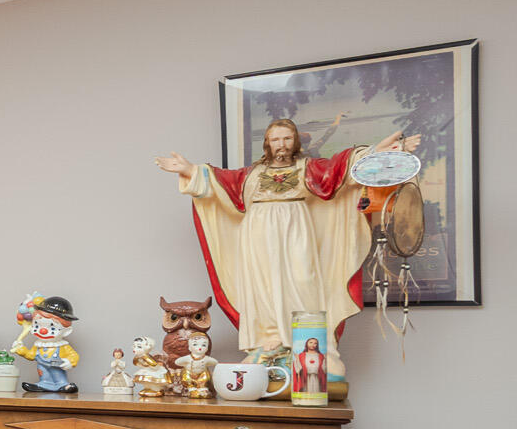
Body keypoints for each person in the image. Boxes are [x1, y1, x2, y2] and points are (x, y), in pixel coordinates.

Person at [156, 120, 421, 388]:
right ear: (267, 143)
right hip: (257, 233)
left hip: (296, 229)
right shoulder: (252, 175)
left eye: (286, 139)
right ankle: (267, 343)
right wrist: (190, 169)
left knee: (303, 282)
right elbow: (220, 182)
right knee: (264, 287)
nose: (281, 144)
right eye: (275, 139)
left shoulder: (308, 168)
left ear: (295, 142)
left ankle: (308, 346)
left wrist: (378, 154)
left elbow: (341, 169)